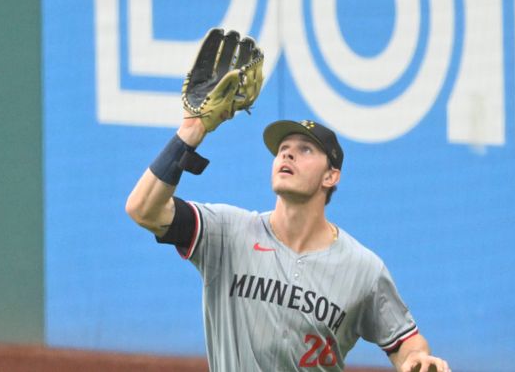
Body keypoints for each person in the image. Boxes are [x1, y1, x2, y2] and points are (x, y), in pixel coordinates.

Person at [125, 110, 451, 372]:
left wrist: (416, 360)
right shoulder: (226, 232)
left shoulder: (362, 268)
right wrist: (189, 135)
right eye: (283, 149)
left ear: (331, 176)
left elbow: (405, 341)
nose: (288, 155)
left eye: (305, 150)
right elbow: (143, 209)